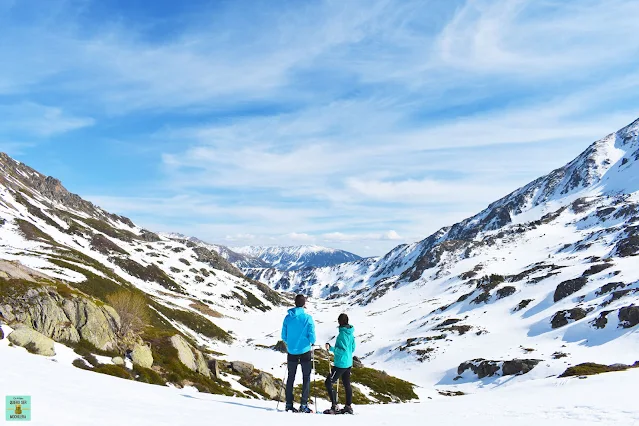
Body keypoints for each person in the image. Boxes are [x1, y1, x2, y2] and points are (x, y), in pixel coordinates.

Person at [281, 294, 316, 413]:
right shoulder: (308, 318)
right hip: (305, 350)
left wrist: (291, 342)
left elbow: (283, 336)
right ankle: (303, 404)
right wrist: (308, 341)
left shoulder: (287, 318)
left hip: (291, 351)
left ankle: (289, 404)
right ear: (304, 304)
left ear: (295, 303)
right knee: (306, 377)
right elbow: (312, 338)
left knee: (291, 377)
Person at [324, 313, 356, 415]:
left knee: (328, 383)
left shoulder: (342, 334)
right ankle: (348, 406)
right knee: (347, 384)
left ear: (339, 322)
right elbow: (353, 348)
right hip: (348, 363)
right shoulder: (350, 333)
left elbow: (341, 350)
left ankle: (334, 406)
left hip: (340, 364)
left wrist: (331, 348)